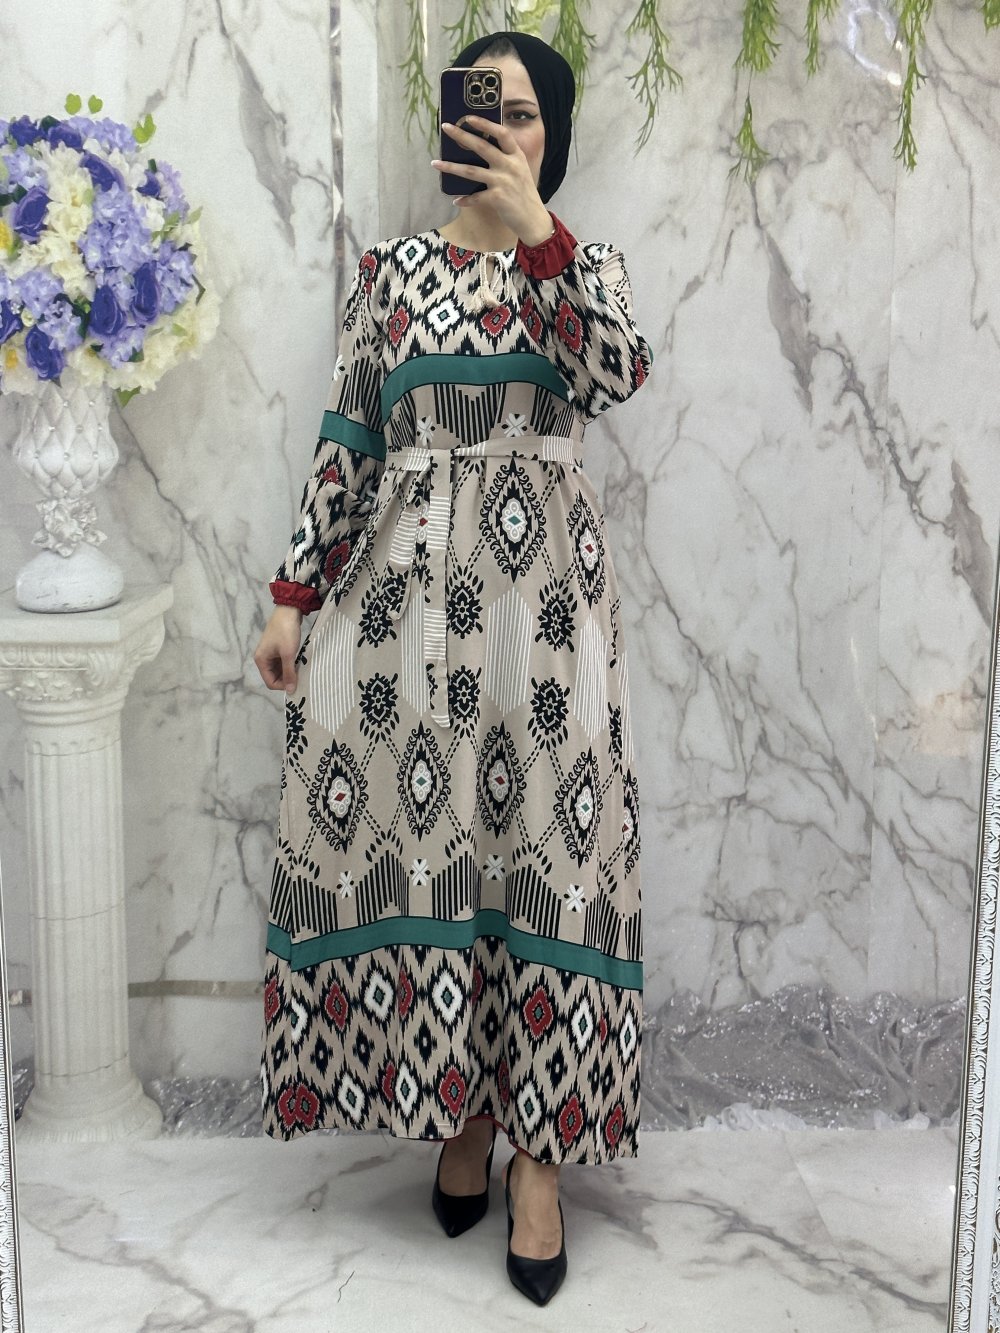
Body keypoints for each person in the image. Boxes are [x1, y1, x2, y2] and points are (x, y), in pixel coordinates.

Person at [253, 29, 651, 1307]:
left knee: (549, 863)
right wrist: (292, 592)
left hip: (547, 628)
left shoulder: (583, 269)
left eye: (526, 114)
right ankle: (461, 1112)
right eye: (487, 110)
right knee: (443, 855)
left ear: (554, 136)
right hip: (404, 620)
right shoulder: (390, 274)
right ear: (450, 123)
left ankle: (540, 1160)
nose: (504, 132)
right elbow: (349, 438)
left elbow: (616, 372)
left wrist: (539, 232)